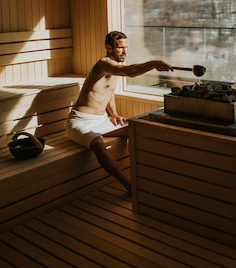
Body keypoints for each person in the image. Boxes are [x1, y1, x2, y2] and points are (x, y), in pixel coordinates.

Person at [66, 31, 174, 195]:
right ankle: (128, 185)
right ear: (109, 48)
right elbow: (130, 72)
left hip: (102, 120)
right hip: (80, 122)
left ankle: (146, 175)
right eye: (120, 48)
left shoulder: (116, 67)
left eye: (126, 47)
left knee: (136, 130)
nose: (125, 51)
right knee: (98, 145)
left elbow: (109, 92)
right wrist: (153, 63)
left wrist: (114, 114)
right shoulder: (103, 64)